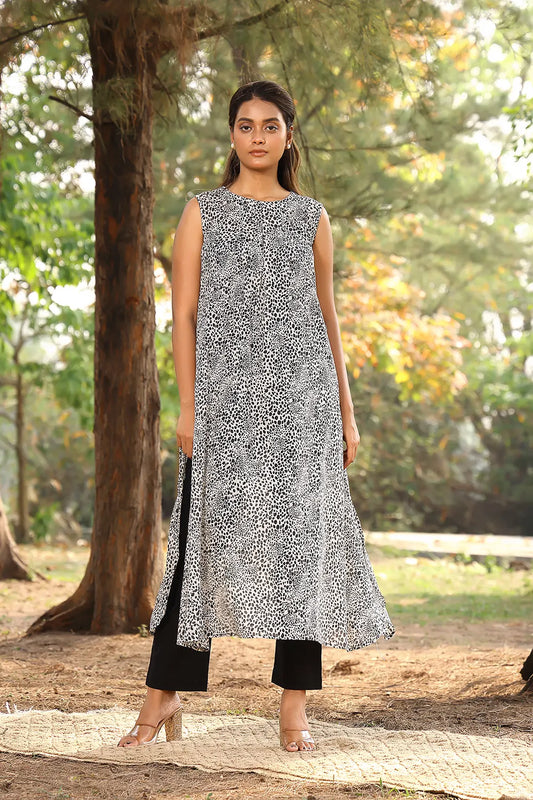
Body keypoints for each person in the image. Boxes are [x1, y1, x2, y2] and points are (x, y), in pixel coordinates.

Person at [118, 79, 394, 752]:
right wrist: (188, 405)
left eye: (270, 125)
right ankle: (163, 693)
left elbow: (327, 319)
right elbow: (183, 316)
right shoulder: (202, 212)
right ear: (232, 135)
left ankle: (293, 706)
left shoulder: (311, 217)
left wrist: (346, 412)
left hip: (302, 406)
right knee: (196, 549)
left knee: (301, 551)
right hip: (223, 408)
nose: (258, 136)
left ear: (288, 136)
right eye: (246, 125)